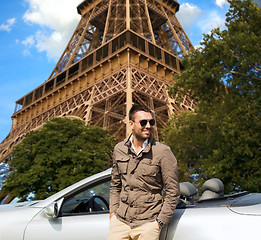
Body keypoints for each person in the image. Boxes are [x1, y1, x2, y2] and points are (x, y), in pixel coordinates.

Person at [108, 104, 179, 240]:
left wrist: (159, 222)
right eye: (143, 122)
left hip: (148, 224)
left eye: (151, 122)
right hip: (120, 222)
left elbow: (173, 191)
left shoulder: (163, 152)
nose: (148, 126)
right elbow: (115, 185)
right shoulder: (119, 149)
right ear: (131, 124)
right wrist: (113, 213)